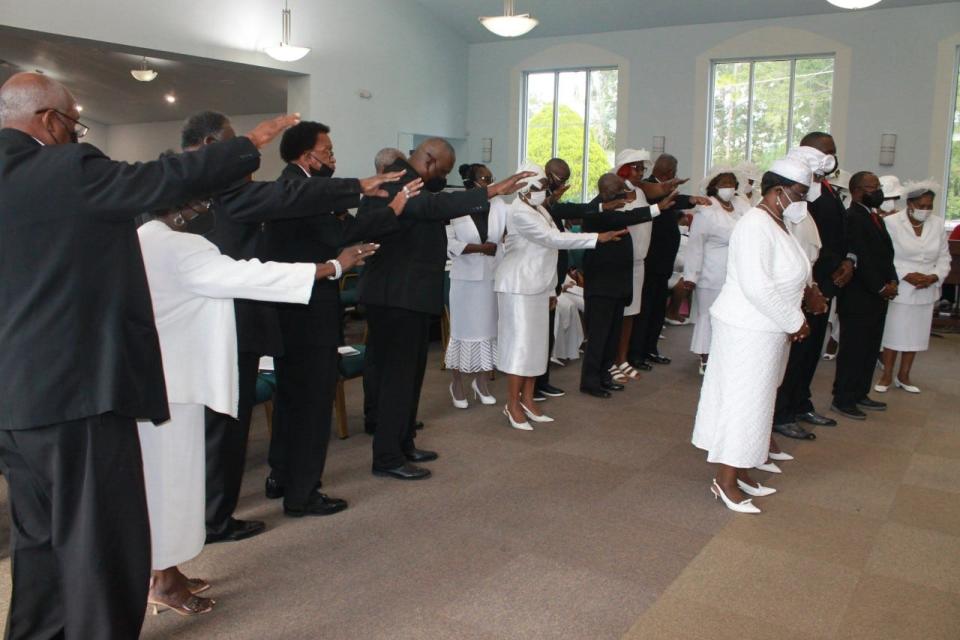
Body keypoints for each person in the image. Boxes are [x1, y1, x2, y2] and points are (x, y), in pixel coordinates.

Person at [0, 72, 289, 639]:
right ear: (51, 121)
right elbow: (157, 180)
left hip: (14, 399)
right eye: (74, 123)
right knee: (100, 545)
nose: (75, 134)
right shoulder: (61, 168)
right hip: (74, 391)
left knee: (39, 542)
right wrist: (247, 146)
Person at [136, 195, 382, 614]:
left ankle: (166, 572)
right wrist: (333, 267)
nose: (204, 213)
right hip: (177, 385)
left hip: (152, 378)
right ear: (178, 209)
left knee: (161, 484)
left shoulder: (140, 238)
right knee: (171, 488)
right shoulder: (179, 246)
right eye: (197, 206)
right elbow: (250, 276)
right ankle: (162, 581)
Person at [179, 111, 402, 542]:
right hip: (249, 312)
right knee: (233, 421)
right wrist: (356, 193)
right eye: (236, 145)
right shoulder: (222, 191)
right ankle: (217, 517)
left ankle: (222, 511)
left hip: (251, 312)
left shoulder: (207, 189)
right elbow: (290, 202)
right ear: (210, 147)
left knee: (237, 419)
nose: (247, 155)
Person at [262, 121, 418, 517]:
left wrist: (386, 212)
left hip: (295, 307)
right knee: (312, 401)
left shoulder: (304, 188)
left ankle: (282, 475)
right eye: (327, 152)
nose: (333, 159)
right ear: (306, 157)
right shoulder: (300, 189)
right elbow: (336, 236)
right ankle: (303, 493)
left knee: (292, 398)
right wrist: (388, 209)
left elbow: (345, 228)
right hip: (307, 308)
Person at [358, 139, 531, 479]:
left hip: (407, 297)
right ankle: (388, 457)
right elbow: (431, 208)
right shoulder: (396, 181)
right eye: (445, 171)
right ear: (429, 159)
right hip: (395, 298)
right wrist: (491, 190)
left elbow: (433, 205)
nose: (446, 177)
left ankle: (403, 443)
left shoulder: (414, 183)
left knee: (409, 377)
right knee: (397, 378)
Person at [692, 158, 815, 514]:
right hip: (747, 327)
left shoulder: (778, 223)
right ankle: (725, 482)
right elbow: (757, 286)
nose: (803, 201)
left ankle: (742, 470)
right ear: (778, 192)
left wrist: (793, 315)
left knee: (758, 403)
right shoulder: (754, 225)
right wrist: (795, 321)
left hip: (767, 327)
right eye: (799, 193)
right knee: (742, 403)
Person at [495, 163, 626, 425]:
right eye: (539, 187)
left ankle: (529, 399)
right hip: (519, 286)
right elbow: (552, 240)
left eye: (545, 186)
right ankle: (511, 404)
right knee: (519, 347)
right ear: (523, 188)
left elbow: (554, 245)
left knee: (536, 346)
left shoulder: (540, 208)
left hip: (540, 285)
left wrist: (552, 288)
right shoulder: (520, 212)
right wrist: (597, 238)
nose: (544, 191)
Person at [772, 133, 852, 439]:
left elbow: (837, 233)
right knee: (795, 352)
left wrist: (849, 261)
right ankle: (782, 412)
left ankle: (800, 402)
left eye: (833, 152)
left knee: (811, 351)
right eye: (825, 152)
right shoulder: (796, 194)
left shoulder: (825, 189)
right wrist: (811, 285)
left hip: (826, 280)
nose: (831, 159)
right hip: (807, 283)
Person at [533, 157, 627, 400]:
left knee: (548, 334)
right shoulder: (535, 206)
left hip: (554, 276)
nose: (561, 183)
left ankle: (542, 381)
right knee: (537, 335)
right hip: (538, 278)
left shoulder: (551, 204)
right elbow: (562, 217)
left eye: (565, 179)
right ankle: (531, 385)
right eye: (557, 178)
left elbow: (569, 212)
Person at [581, 173, 668, 396]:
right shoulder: (595, 210)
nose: (621, 193)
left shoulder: (614, 206)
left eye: (621, 189)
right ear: (604, 190)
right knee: (599, 336)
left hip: (618, 283)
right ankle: (590, 381)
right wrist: (657, 208)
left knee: (612, 334)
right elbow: (626, 219)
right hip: (601, 284)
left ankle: (604, 376)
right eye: (616, 189)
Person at [831, 171, 899, 420]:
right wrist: (880, 286)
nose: (878, 191)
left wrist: (892, 280)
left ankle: (860, 392)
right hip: (859, 296)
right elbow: (861, 258)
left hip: (877, 296)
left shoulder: (874, 216)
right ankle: (844, 398)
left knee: (870, 348)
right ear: (858, 190)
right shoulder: (853, 217)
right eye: (874, 186)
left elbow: (885, 255)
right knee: (853, 350)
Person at [875, 181, 950, 393]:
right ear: (910, 203)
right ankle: (887, 374)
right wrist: (904, 275)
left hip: (926, 287)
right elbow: (885, 256)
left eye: (929, 206)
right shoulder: (891, 223)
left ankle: (904, 375)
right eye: (921, 205)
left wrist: (934, 276)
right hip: (900, 286)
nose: (925, 210)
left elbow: (944, 257)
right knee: (894, 332)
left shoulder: (937, 224)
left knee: (916, 334)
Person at [445, 163, 505, 408]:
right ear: (470, 181)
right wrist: (481, 249)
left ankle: (481, 383)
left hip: (490, 277)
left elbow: (504, 238)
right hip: (464, 280)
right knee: (462, 332)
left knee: (487, 331)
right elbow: (449, 243)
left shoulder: (499, 204)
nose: (489, 182)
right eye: (484, 178)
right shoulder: (455, 205)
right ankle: (457, 383)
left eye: (491, 177)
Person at [683, 167, 749, 375]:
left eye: (731, 183)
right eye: (723, 184)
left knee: (731, 315)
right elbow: (695, 245)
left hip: (737, 271)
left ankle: (725, 355)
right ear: (713, 187)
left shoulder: (742, 206)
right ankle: (706, 357)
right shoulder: (707, 210)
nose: (728, 187)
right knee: (708, 315)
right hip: (712, 271)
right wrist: (691, 275)